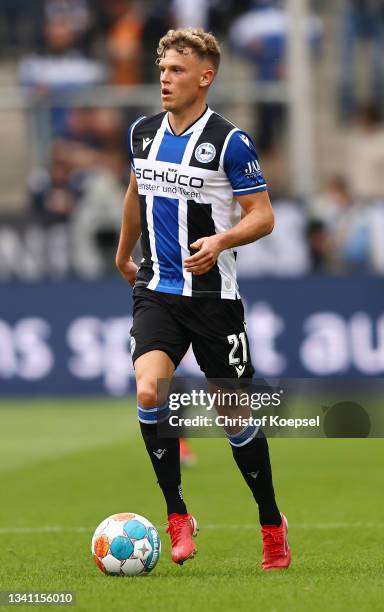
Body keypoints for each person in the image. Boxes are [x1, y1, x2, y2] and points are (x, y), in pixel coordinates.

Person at [115, 27, 290, 571]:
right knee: (150, 390)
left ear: (204, 77)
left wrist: (221, 240)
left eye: (176, 71)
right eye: (162, 69)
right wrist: (125, 254)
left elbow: (262, 214)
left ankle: (270, 523)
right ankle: (176, 514)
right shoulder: (143, 132)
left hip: (215, 297)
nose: (164, 79)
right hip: (158, 289)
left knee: (233, 412)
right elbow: (136, 191)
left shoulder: (231, 141)